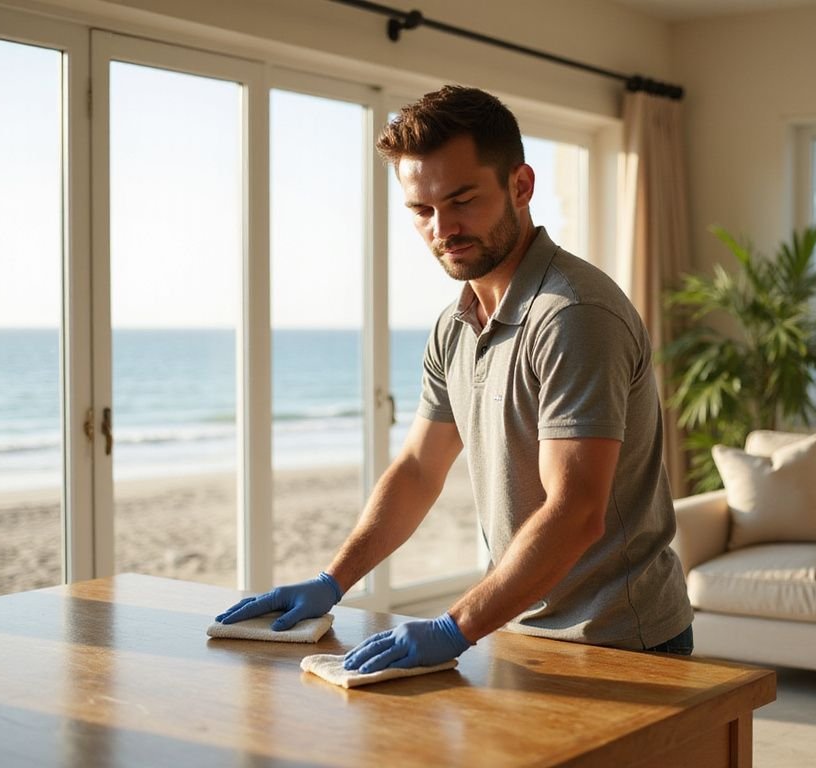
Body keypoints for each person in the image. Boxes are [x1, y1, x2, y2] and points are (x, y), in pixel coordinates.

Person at [216, 85, 693, 673]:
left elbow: (577, 510)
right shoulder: (456, 324)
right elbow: (419, 469)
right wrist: (331, 581)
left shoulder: (573, 316)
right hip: (518, 628)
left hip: (623, 642)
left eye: (462, 199)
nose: (442, 228)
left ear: (521, 186)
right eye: (422, 210)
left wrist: (454, 627)